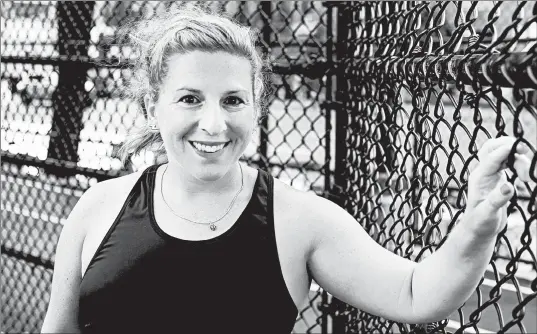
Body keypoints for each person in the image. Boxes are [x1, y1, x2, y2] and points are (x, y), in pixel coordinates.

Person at [41, 6, 532, 334]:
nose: (213, 123)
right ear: (153, 106)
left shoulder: (298, 219)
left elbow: (415, 294)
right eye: (190, 98)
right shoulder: (98, 207)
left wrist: (478, 225)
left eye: (234, 100)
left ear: (256, 109)